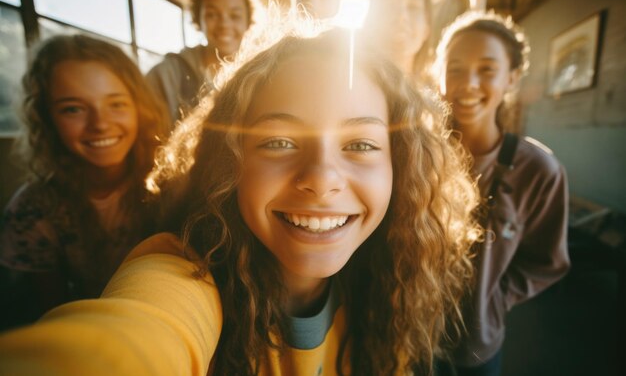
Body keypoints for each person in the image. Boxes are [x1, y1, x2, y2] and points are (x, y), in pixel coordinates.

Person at [0, 25, 480, 375]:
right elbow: (132, 336)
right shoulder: (184, 275)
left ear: (400, 167)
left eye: (360, 145)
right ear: (230, 164)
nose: (321, 179)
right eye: (278, 141)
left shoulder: (390, 278)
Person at [0, 34, 171, 330]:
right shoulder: (34, 208)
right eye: (73, 109)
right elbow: (46, 317)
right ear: (45, 117)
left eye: (116, 104)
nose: (100, 124)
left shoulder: (175, 184)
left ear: (139, 107)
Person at [433, 11, 570, 376]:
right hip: (404, 337)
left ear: (511, 78)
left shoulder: (538, 171)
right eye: (456, 68)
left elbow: (547, 261)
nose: (468, 83)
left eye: (487, 69)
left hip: (475, 348)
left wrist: (494, 296)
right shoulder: (418, 156)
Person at [146, 0, 261, 121]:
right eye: (212, 15)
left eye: (235, 16)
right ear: (198, 19)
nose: (224, 24)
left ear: (248, 21)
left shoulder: (260, 73)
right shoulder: (168, 75)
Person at [362, 0, 434, 84]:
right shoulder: (353, 85)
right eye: (389, 6)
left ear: (427, 27)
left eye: (413, 7)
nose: (402, 16)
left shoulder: (440, 93)